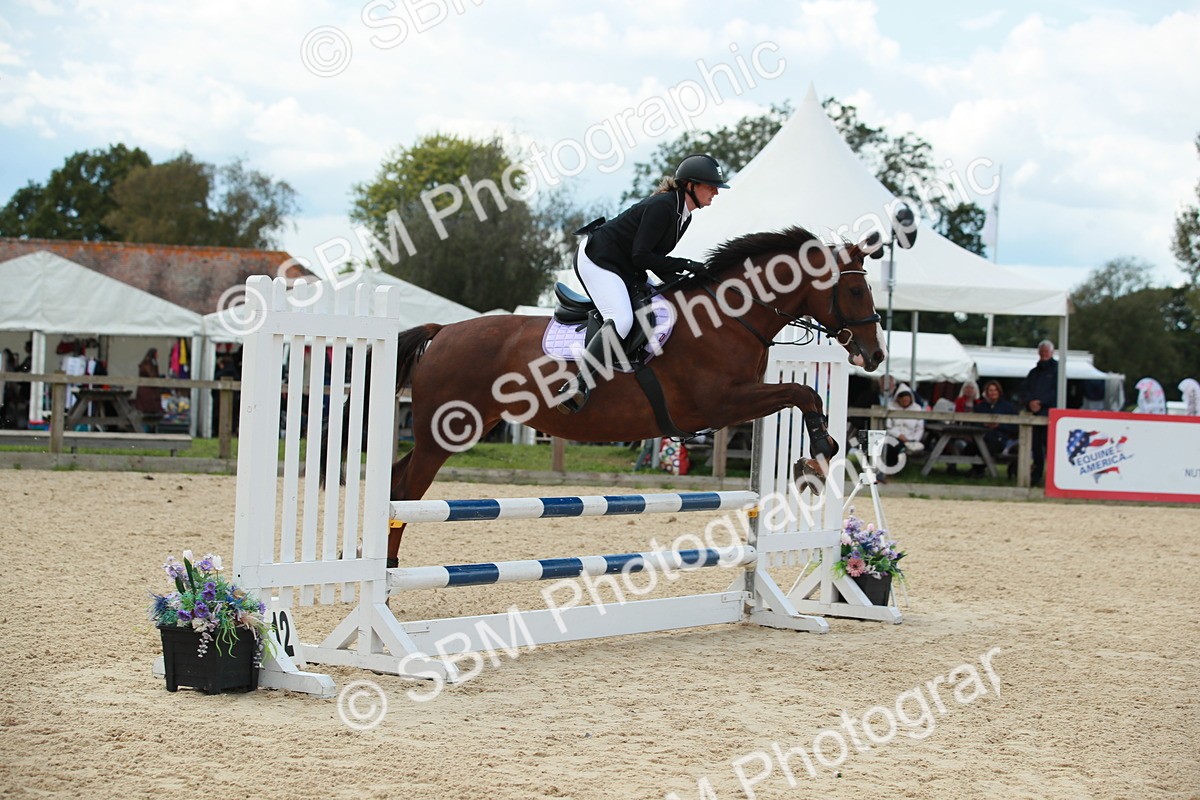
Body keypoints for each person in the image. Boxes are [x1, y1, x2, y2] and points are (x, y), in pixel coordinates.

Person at [556, 153, 729, 413]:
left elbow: (653, 259)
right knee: (622, 319)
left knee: (663, 302)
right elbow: (643, 255)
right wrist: (685, 264)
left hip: (627, 266)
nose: (715, 191)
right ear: (690, 185)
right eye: (710, 185)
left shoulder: (684, 216)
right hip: (599, 259)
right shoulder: (664, 206)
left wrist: (691, 280)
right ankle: (579, 384)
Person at [1018, 340, 1058, 485]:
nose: (1044, 354)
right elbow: (1024, 389)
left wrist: (1041, 402)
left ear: (1052, 353)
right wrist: (1030, 402)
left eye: (1046, 352)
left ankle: (1051, 479)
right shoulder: (1034, 373)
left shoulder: (1058, 371)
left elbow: (1057, 392)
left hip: (1050, 416)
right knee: (1036, 447)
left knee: (1050, 447)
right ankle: (1036, 476)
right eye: (1042, 352)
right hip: (1034, 415)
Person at [976, 380, 1018, 477]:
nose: (993, 393)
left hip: (1001, 440)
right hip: (981, 437)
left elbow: (1015, 428)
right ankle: (977, 470)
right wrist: (984, 424)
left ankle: (982, 471)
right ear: (986, 392)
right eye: (990, 390)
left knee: (987, 447)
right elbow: (974, 423)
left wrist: (999, 426)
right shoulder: (980, 407)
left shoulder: (1008, 407)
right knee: (970, 448)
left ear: (999, 391)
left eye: (995, 390)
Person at [884, 383, 925, 470]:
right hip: (894, 436)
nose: (905, 399)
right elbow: (888, 426)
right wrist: (899, 435)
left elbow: (920, 428)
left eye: (907, 397)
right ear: (897, 398)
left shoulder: (917, 408)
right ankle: (891, 469)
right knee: (892, 445)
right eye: (902, 397)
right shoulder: (891, 407)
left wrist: (914, 439)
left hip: (911, 438)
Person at [134, 348, 162, 426]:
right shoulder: (147, 364)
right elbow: (152, 375)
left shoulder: (151, 363)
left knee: (149, 412)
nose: (158, 355)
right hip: (146, 392)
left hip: (148, 391)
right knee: (146, 412)